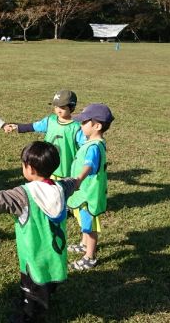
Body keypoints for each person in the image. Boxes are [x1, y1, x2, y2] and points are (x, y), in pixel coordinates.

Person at [0, 141, 78, 322]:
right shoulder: (61, 188)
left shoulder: (23, 195)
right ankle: (43, 296)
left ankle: (29, 314)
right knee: (48, 283)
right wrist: (79, 178)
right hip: (56, 257)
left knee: (32, 294)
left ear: (30, 169)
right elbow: (73, 183)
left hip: (34, 259)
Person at [67, 103, 114, 271]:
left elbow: (88, 165)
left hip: (88, 195)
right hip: (84, 193)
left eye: (84, 122)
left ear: (97, 126)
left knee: (90, 226)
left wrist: (78, 180)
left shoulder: (94, 147)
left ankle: (89, 256)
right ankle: (83, 244)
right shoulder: (93, 141)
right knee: (83, 222)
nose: (81, 125)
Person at [5, 90, 86, 179]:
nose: (58, 110)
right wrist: (17, 127)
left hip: (65, 170)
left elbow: (86, 147)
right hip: (46, 167)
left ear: (72, 107)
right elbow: (34, 126)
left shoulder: (77, 128)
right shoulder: (50, 120)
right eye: (56, 106)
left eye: (62, 107)